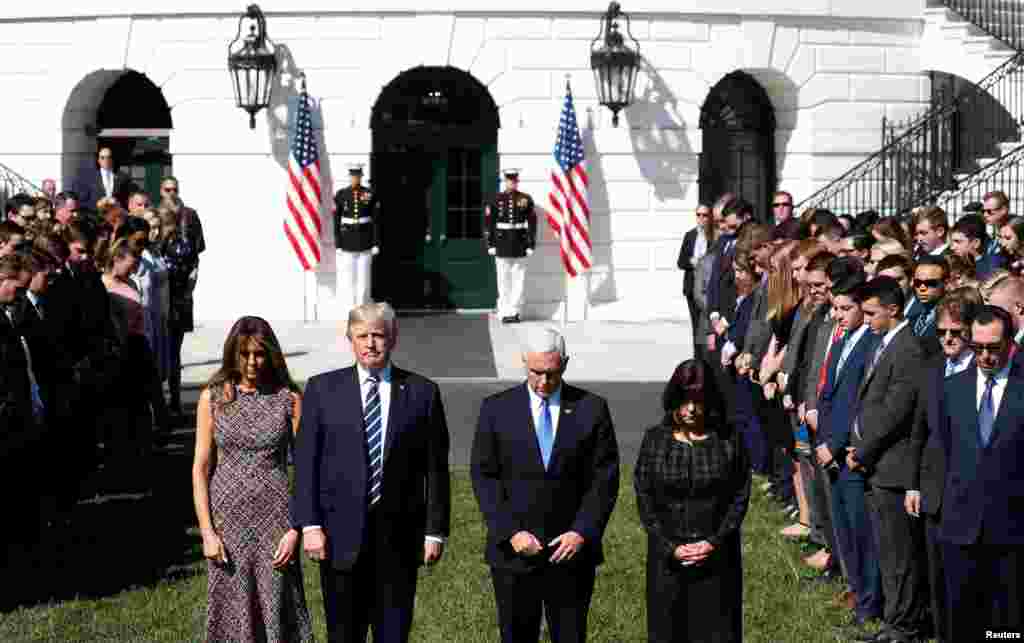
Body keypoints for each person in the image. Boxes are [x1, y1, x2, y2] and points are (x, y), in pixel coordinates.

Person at [294, 302, 451, 643]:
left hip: (399, 538)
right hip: (338, 537)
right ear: (349, 338)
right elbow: (306, 462)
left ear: (393, 338)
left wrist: (435, 531)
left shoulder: (422, 393)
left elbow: (436, 469)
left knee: (392, 633)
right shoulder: (323, 390)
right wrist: (310, 525)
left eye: (378, 335)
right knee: (343, 634)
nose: (370, 344)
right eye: (362, 335)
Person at [471, 326, 619, 643]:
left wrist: (582, 531)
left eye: (551, 373)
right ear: (524, 362)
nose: (543, 382)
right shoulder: (496, 410)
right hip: (514, 554)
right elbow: (485, 477)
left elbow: (604, 479)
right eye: (536, 372)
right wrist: (511, 532)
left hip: (570, 553)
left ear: (564, 364)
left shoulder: (591, 409)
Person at [192, 316, 313, 642]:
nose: (251, 363)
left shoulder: (288, 398)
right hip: (226, 522)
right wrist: (207, 531)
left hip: (276, 522)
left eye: (258, 354)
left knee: (278, 606)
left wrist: (296, 528)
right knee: (231, 608)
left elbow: (306, 468)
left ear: (270, 353)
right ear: (232, 353)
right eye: (243, 354)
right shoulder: (213, 397)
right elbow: (200, 468)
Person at [634, 359, 750, 643]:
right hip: (667, 558)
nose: (691, 409)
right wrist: (669, 546)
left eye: (698, 401)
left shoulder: (728, 440)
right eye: (685, 400)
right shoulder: (655, 440)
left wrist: (713, 541)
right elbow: (644, 497)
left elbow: (739, 496)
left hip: (718, 556)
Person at [847, 276, 929, 643]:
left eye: (871, 313)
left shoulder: (907, 349)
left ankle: (904, 627)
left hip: (893, 467)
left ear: (893, 310)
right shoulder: (886, 344)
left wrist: (862, 451)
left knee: (900, 557)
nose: (866, 321)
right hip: (878, 464)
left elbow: (896, 411)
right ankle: (895, 621)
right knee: (889, 553)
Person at [939, 304, 1023, 641]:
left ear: (1009, 344)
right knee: (964, 622)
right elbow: (945, 448)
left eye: (993, 348)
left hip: (1012, 527)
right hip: (961, 524)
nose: (985, 356)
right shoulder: (952, 388)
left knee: (1006, 627)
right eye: (978, 348)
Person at [906, 291, 977, 643]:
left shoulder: (984, 372)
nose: (948, 338)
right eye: (942, 331)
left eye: (957, 331)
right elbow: (919, 430)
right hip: (934, 492)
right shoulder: (933, 368)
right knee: (937, 579)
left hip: (973, 496)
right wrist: (914, 484)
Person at [815, 270, 883, 628]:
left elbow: (857, 402)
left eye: (846, 308)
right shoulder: (844, 338)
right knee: (844, 527)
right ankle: (856, 589)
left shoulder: (870, 343)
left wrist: (837, 442)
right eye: (836, 307)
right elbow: (830, 392)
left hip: (847, 451)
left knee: (861, 529)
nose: (838, 315)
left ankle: (870, 600)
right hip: (829, 447)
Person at [486, 168, 537, 324]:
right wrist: (490, 243)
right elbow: (489, 223)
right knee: (503, 280)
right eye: (509, 180)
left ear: (517, 181)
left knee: (518, 280)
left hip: (520, 244)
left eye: (514, 180)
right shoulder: (495, 198)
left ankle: (515, 311)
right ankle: (504, 310)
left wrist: (530, 244)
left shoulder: (525, 199)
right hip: (501, 244)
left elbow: (532, 223)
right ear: (505, 181)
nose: (512, 183)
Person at [333, 164, 381, 316]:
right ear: (349, 177)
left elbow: (376, 221)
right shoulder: (341, 194)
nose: (355, 178)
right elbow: (336, 220)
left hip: (365, 240)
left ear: (361, 177)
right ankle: (350, 309)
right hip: (347, 240)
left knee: (364, 278)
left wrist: (375, 242)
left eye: (357, 176)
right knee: (349, 278)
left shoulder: (369, 193)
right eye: (353, 176)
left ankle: (362, 308)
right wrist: (338, 243)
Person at [678, 203, 712, 351]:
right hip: (692, 287)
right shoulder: (689, 235)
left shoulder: (714, 235)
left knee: (707, 325)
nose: (701, 218)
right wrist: (692, 262)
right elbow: (680, 262)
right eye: (698, 215)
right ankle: (697, 360)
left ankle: (707, 358)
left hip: (707, 287)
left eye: (704, 215)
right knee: (696, 324)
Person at [73, 147, 132, 212]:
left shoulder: (123, 177)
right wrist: (97, 204)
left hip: (115, 216)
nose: (106, 160)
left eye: (109, 157)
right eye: (102, 157)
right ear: (98, 160)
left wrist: (117, 203)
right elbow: (81, 201)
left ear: (112, 159)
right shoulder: (88, 177)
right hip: (95, 217)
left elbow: (127, 200)